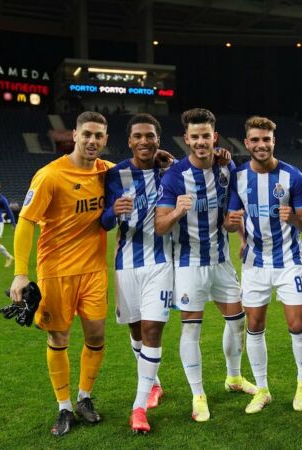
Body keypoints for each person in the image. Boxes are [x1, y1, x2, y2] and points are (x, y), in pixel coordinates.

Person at [9, 111, 115, 436]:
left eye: (99, 135)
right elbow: (26, 222)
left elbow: (143, 171)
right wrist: (19, 273)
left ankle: (84, 398)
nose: (92, 141)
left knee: (96, 335)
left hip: (94, 270)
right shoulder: (50, 176)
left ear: (106, 139)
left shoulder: (108, 172)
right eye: (87, 134)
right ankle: (64, 407)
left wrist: (162, 160)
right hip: (56, 272)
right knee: (59, 337)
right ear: (75, 135)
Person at [155, 108, 256, 423]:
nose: (201, 142)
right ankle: (198, 394)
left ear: (215, 136)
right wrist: (177, 213)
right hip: (189, 265)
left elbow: (231, 215)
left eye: (206, 136)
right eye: (195, 137)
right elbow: (160, 225)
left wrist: (235, 229)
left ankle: (234, 377)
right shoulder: (175, 176)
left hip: (221, 261)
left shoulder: (227, 169)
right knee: (191, 330)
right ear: (186, 139)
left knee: (238, 321)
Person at [224, 116, 302, 414]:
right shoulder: (237, 177)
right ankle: (262, 389)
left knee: (296, 324)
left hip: (289, 262)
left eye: (267, 140)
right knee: (254, 325)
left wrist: (294, 219)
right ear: (247, 143)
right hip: (254, 264)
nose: (262, 145)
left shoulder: (293, 177)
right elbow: (231, 218)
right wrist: (236, 231)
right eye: (256, 140)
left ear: (273, 141)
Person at [100, 113, 175, 434]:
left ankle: (139, 407)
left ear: (158, 140)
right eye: (138, 137)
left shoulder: (170, 173)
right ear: (129, 141)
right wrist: (111, 212)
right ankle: (154, 384)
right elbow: (102, 221)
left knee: (152, 330)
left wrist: (175, 162)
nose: (144, 141)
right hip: (126, 264)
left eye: (150, 136)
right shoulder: (116, 175)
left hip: (161, 262)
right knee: (135, 331)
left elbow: (200, 167)